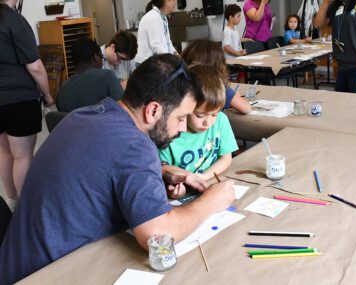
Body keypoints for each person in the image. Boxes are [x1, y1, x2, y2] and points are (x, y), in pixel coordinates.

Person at [0, 54, 235, 285]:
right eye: (181, 117)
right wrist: (211, 201)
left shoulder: (84, 115)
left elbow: (103, 171)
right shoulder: (135, 145)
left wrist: (158, 176)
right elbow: (158, 235)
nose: (183, 128)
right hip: (48, 274)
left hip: (16, 266)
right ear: (154, 110)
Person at [0, 0, 54, 211]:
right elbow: (36, 66)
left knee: (4, 152)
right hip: (18, 98)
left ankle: (12, 201)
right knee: (22, 156)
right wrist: (48, 95)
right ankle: (28, 210)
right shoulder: (13, 19)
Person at [159, 65, 238, 198]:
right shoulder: (170, 133)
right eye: (200, 116)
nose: (208, 122)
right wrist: (172, 189)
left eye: (214, 114)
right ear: (186, 108)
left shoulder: (221, 121)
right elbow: (162, 171)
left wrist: (202, 177)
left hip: (209, 184)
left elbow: (226, 158)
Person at [182, 40, 251, 114]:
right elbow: (246, 108)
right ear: (219, 64)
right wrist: (236, 96)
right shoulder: (217, 86)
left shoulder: (182, 82)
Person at [56, 38, 123, 112]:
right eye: (102, 58)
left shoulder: (61, 91)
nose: (102, 63)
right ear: (95, 57)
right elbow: (124, 111)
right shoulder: (107, 76)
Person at [133, 0, 177, 65]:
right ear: (165, 1)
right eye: (174, 0)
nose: (175, 2)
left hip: (153, 62)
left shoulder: (162, 17)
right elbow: (156, 45)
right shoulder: (154, 17)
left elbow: (168, 42)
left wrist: (176, 54)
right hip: (145, 64)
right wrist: (171, 61)